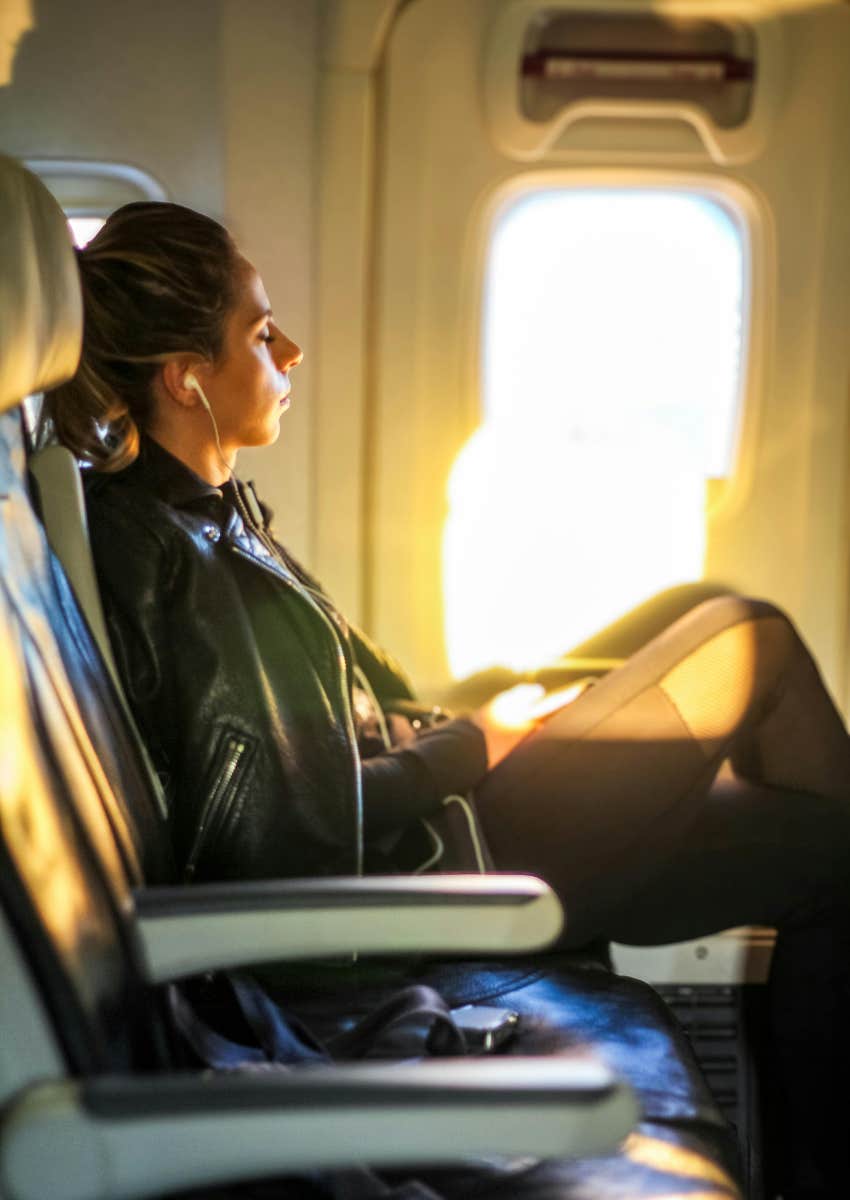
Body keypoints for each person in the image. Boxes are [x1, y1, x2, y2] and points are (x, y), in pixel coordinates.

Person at [44, 201, 850, 1197]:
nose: (291, 352)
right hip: (443, 857)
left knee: (797, 792)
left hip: (445, 806)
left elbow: (327, 719)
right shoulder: (178, 558)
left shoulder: (215, 516)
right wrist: (477, 741)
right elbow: (297, 834)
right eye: (261, 334)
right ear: (186, 377)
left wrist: (449, 719)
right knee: (750, 638)